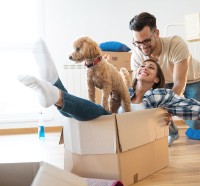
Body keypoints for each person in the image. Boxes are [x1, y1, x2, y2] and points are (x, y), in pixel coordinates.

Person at [18, 40, 200, 125]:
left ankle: (54, 86)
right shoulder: (126, 91)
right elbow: (106, 78)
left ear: (157, 79)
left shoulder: (160, 95)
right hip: (109, 124)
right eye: (143, 65)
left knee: (99, 114)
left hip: (123, 130)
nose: (145, 67)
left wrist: (167, 114)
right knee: (85, 113)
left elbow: (188, 106)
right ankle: (53, 81)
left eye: (151, 68)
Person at [129, 12, 200, 146]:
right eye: (137, 42)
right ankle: (171, 133)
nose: (142, 46)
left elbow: (179, 82)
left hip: (191, 79)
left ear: (156, 33)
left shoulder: (175, 44)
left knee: (195, 123)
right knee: (152, 102)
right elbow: (139, 88)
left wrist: (168, 109)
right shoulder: (137, 55)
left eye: (146, 41)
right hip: (162, 82)